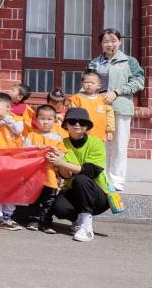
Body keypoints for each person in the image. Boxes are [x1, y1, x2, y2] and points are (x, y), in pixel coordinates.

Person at [87, 28, 145, 192]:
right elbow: (87, 82)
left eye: (113, 40)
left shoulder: (129, 61)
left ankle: (117, 180)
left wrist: (117, 92)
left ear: (120, 42)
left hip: (121, 107)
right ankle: (101, 177)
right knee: (100, 144)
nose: (110, 44)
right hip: (98, 108)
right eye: (106, 41)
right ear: (101, 44)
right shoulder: (94, 63)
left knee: (119, 145)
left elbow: (138, 82)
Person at [46, 107, 114, 242]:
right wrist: (60, 162)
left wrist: (62, 162)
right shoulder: (61, 143)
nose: (77, 124)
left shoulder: (96, 143)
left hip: (98, 194)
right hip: (73, 190)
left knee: (81, 179)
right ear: (66, 125)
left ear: (87, 126)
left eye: (82, 122)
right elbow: (65, 175)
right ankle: (79, 221)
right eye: (72, 121)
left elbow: (90, 171)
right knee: (59, 208)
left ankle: (87, 227)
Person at [23, 104, 65, 234]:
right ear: (35, 120)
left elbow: (63, 154)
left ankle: (46, 221)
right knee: (34, 198)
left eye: (49, 119)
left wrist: (57, 152)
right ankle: (34, 220)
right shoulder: (31, 135)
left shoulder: (58, 137)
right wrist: (35, 148)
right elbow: (25, 151)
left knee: (49, 199)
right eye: (42, 118)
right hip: (35, 174)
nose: (45, 122)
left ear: (55, 121)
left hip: (51, 174)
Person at [0, 92, 24, 230]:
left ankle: (8, 215)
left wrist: (7, 120)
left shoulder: (17, 119)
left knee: (12, 188)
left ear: (8, 107)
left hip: (14, 161)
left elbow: (18, 130)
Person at [70, 70, 115, 144]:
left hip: (99, 135)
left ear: (99, 85)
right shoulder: (76, 98)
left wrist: (110, 131)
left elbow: (109, 116)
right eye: (86, 82)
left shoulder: (104, 100)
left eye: (92, 83)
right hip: (81, 135)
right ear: (82, 84)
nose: (89, 85)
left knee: (97, 150)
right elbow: (71, 116)